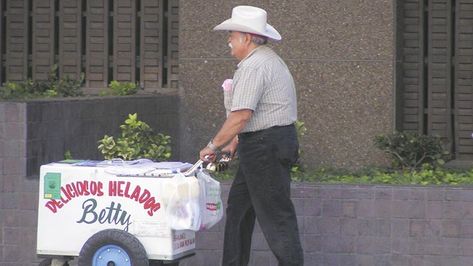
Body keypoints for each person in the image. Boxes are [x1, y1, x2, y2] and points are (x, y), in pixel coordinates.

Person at [199, 5, 304, 266]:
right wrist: (233, 145)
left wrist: (212, 146)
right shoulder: (267, 60)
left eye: (232, 36)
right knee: (239, 211)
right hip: (263, 144)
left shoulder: (254, 66)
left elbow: (241, 116)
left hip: (264, 147)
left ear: (246, 38)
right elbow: (250, 118)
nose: (229, 41)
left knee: (276, 216)